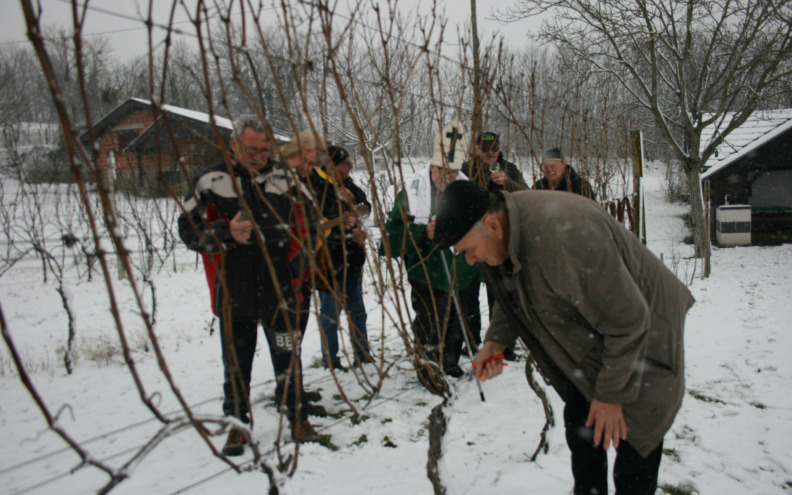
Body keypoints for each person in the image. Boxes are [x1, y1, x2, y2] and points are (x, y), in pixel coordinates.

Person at [433, 180, 695, 494]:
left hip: (645, 343)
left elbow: (629, 320)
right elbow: (514, 286)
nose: (470, 261)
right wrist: (496, 340)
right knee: (582, 435)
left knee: (634, 454)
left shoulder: (563, 238)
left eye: (469, 251)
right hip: (590, 344)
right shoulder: (503, 227)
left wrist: (612, 396)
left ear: (492, 225)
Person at [178, 115, 323, 455]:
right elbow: (188, 229)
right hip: (234, 291)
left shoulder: (286, 180)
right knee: (236, 365)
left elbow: (311, 226)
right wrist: (226, 234)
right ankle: (238, 427)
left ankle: (298, 418)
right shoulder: (209, 181)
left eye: (264, 149)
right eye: (250, 149)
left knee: (289, 360)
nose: (258, 156)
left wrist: (292, 269)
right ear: (232, 145)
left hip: (279, 291)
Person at [379, 119, 481, 392]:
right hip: (427, 269)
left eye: (453, 172)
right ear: (432, 166)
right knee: (430, 319)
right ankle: (427, 366)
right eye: (442, 171)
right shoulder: (413, 192)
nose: (447, 177)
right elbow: (392, 235)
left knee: (456, 318)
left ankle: (448, 362)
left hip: (460, 268)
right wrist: (423, 232)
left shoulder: (467, 189)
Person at [462, 131, 529, 353]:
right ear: (477, 151)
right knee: (468, 293)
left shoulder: (509, 169)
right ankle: (471, 342)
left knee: (500, 294)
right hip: (473, 240)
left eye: (495, 149)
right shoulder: (466, 170)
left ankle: (502, 343)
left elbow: (527, 195)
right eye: (485, 149)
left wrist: (508, 183)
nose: (491, 154)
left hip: (500, 241)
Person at [314, 144, 372, 370]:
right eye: (345, 163)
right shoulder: (317, 188)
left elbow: (365, 208)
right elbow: (317, 225)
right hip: (327, 260)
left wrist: (355, 221)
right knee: (330, 314)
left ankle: (362, 354)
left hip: (352, 260)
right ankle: (330, 359)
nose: (350, 166)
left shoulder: (349, 186)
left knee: (357, 311)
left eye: (350, 162)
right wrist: (344, 226)